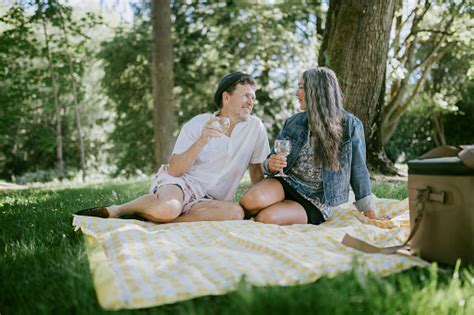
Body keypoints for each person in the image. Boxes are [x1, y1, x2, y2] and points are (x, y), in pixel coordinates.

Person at [76, 71, 270, 223]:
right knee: (168, 208)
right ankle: (118, 209)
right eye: (246, 96)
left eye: (253, 97)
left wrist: (259, 205)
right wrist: (202, 139)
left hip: (210, 201)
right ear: (226, 98)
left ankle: (164, 221)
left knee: (236, 212)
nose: (251, 101)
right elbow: (175, 169)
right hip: (181, 185)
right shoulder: (199, 123)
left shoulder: (255, 128)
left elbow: (256, 171)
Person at [240, 67, 377, 226]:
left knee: (265, 219)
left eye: (301, 87)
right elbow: (271, 161)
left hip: (315, 200)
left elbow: (359, 170)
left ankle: (277, 208)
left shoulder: (350, 125)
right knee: (249, 201)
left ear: (317, 90)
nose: (296, 93)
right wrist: (269, 164)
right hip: (286, 182)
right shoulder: (294, 122)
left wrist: (371, 214)